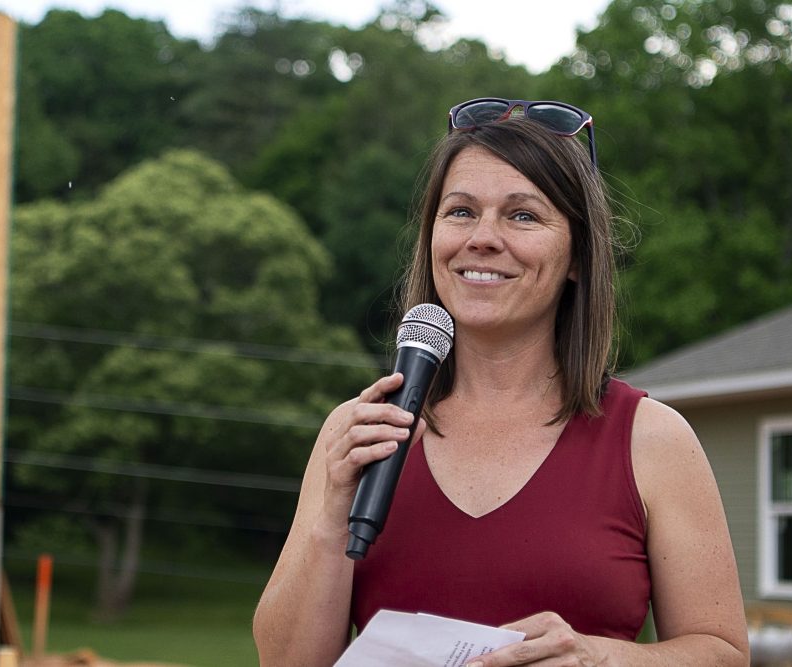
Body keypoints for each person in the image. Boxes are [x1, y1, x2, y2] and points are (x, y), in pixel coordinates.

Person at [253, 98, 750, 666]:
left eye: (522, 215)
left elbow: (723, 654)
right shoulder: (360, 433)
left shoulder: (652, 440)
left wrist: (602, 659)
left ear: (578, 257)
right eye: (460, 211)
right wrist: (331, 520)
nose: (482, 238)